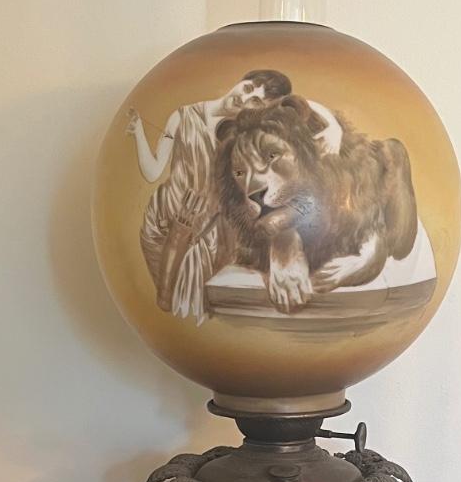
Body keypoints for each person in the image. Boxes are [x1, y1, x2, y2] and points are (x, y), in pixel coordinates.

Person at [127, 71, 340, 321]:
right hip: (164, 217)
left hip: (206, 224)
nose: (244, 98)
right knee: (168, 303)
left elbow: (296, 103)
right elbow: (152, 172)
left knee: (191, 301)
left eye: (257, 101)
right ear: (241, 81)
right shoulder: (182, 115)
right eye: (248, 88)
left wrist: (334, 127)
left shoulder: (244, 131)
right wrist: (139, 133)